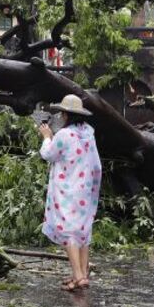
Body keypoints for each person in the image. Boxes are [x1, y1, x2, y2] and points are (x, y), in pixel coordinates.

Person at [39, 93, 102, 291]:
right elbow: (97, 165)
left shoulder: (64, 136)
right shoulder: (88, 134)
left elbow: (48, 155)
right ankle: (81, 275)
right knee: (82, 231)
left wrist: (47, 137)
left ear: (66, 115)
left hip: (67, 189)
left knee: (68, 233)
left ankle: (78, 275)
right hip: (85, 190)